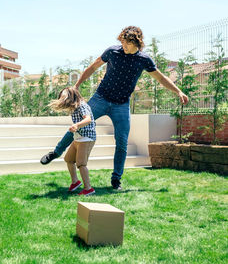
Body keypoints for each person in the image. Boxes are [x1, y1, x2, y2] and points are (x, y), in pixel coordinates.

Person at [41, 26, 189, 190]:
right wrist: (77, 84)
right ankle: (56, 152)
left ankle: (116, 179)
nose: (123, 46)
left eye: (126, 44)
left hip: (121, 104)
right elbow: (93, 67)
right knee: (78, 124)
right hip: (101, 98)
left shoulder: (144, 60)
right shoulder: (112, 52)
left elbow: (160, 78)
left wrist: (178, 91)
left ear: (136, 43)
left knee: (122, 142)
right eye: (122, 43)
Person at [49, 87, 97, 195]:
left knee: (81, 164)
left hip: (86, 138)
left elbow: (88, 119)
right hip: (78, 138)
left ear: (71, 96)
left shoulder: (82, 105)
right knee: (69, 159)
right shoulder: (75, 107)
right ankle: (75, 182)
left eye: (64, 98)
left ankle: (88, 188)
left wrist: (76, 125)